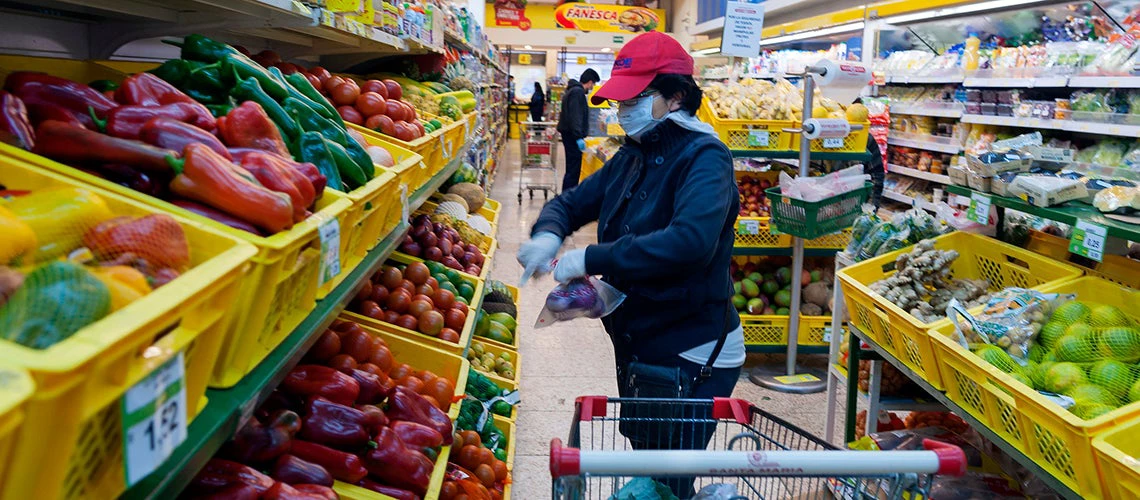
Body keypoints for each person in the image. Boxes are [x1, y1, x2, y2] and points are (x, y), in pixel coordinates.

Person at [517, 31, 744, 498]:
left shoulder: (706, 158)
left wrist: (591, 257)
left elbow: (690, 242)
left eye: (637, 98)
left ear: (676, 97)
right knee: (648, 454)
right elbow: (577, 200)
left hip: (691, 348)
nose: (623, 110)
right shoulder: (633, 154)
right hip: (645, 339)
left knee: (668, 472)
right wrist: (549, 230)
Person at [556, 68, 600, 191]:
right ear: (590, 82)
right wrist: (578, 137)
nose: (592, 87)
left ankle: (567, 196)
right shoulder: (577, 92)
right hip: (572, 136)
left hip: (569, 134)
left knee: (571, 168)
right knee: (573, 169)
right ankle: (568, 198)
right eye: (593, 84)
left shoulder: (572, 90)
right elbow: (576, 116)